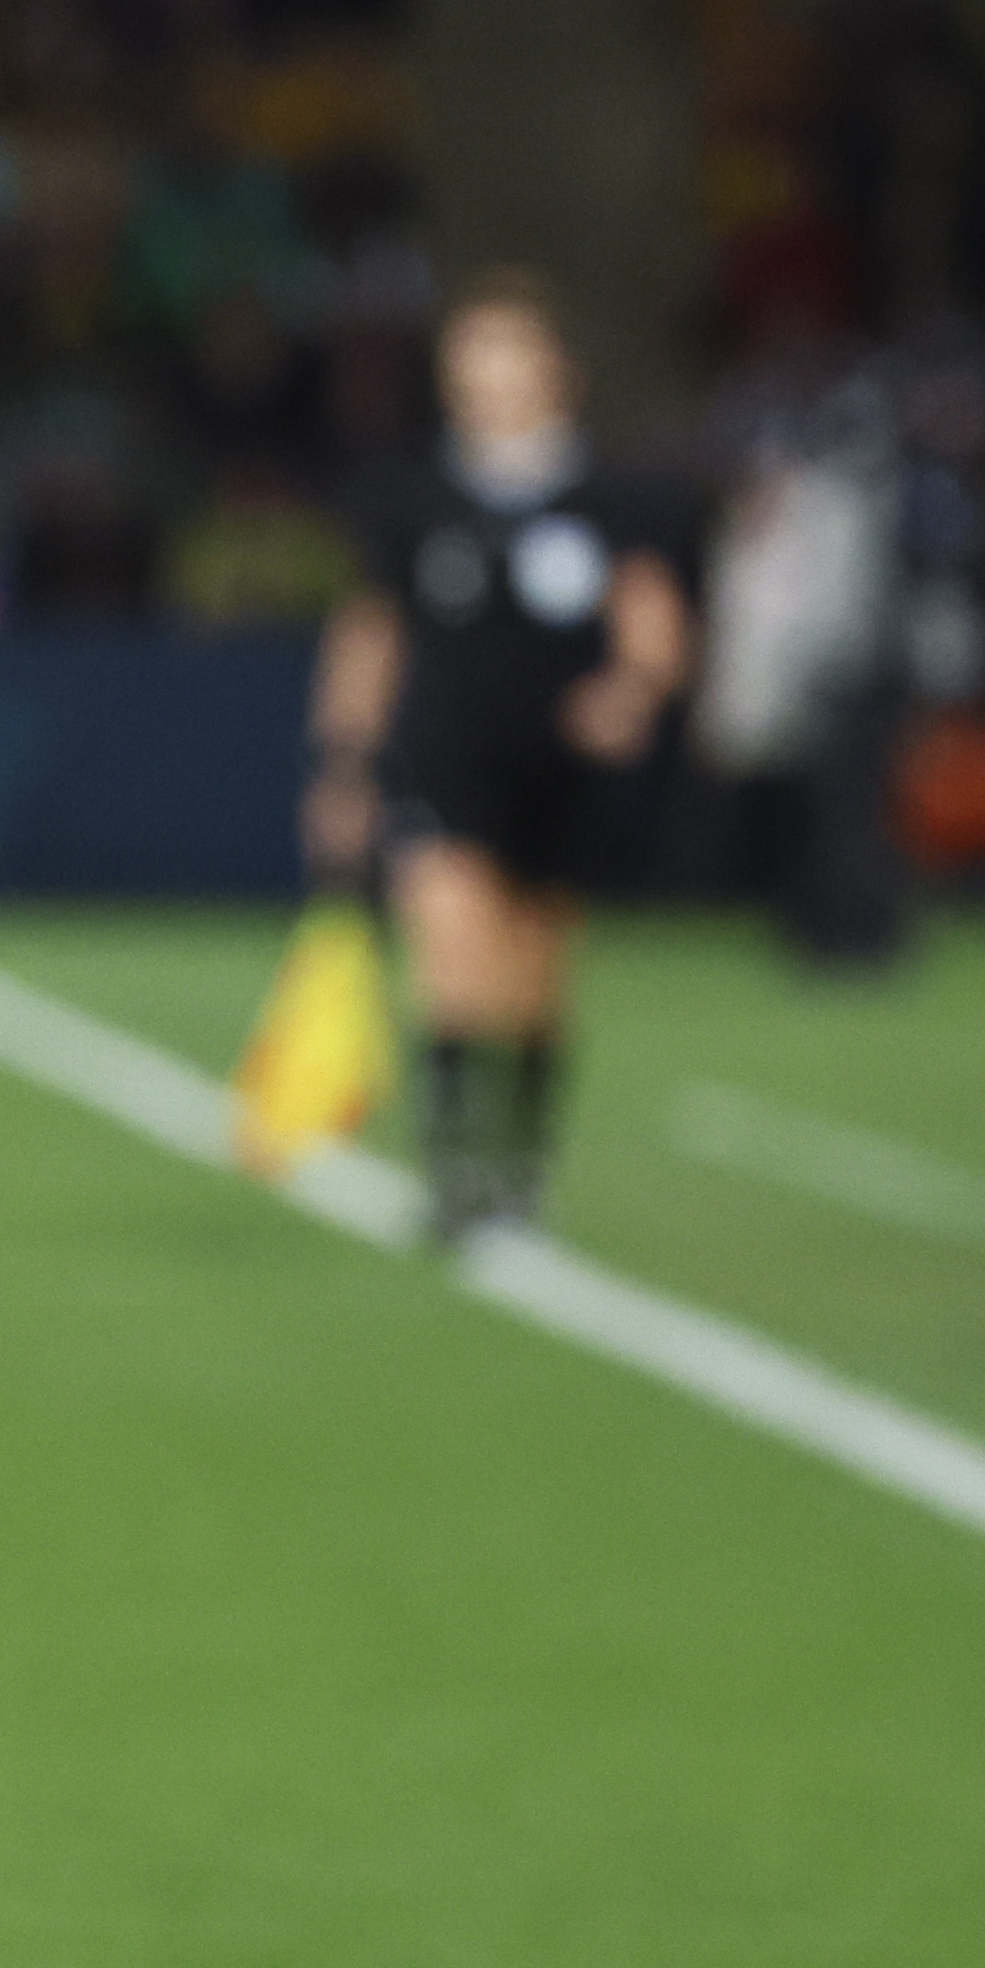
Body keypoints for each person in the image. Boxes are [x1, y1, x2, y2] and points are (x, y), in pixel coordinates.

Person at [301, 271, 697, 1242]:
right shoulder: (414, 494)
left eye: (508, 350)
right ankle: (452, 1172)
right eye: (471, 353)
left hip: (560, 772)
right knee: (450, 954)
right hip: (446, 759)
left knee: (531, 985)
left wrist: (632, 690)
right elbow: (371, 633)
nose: (487, 374)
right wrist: (343, 760)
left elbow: (652, 621)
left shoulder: (611, 497)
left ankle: (516, 1163)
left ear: (555, 370)